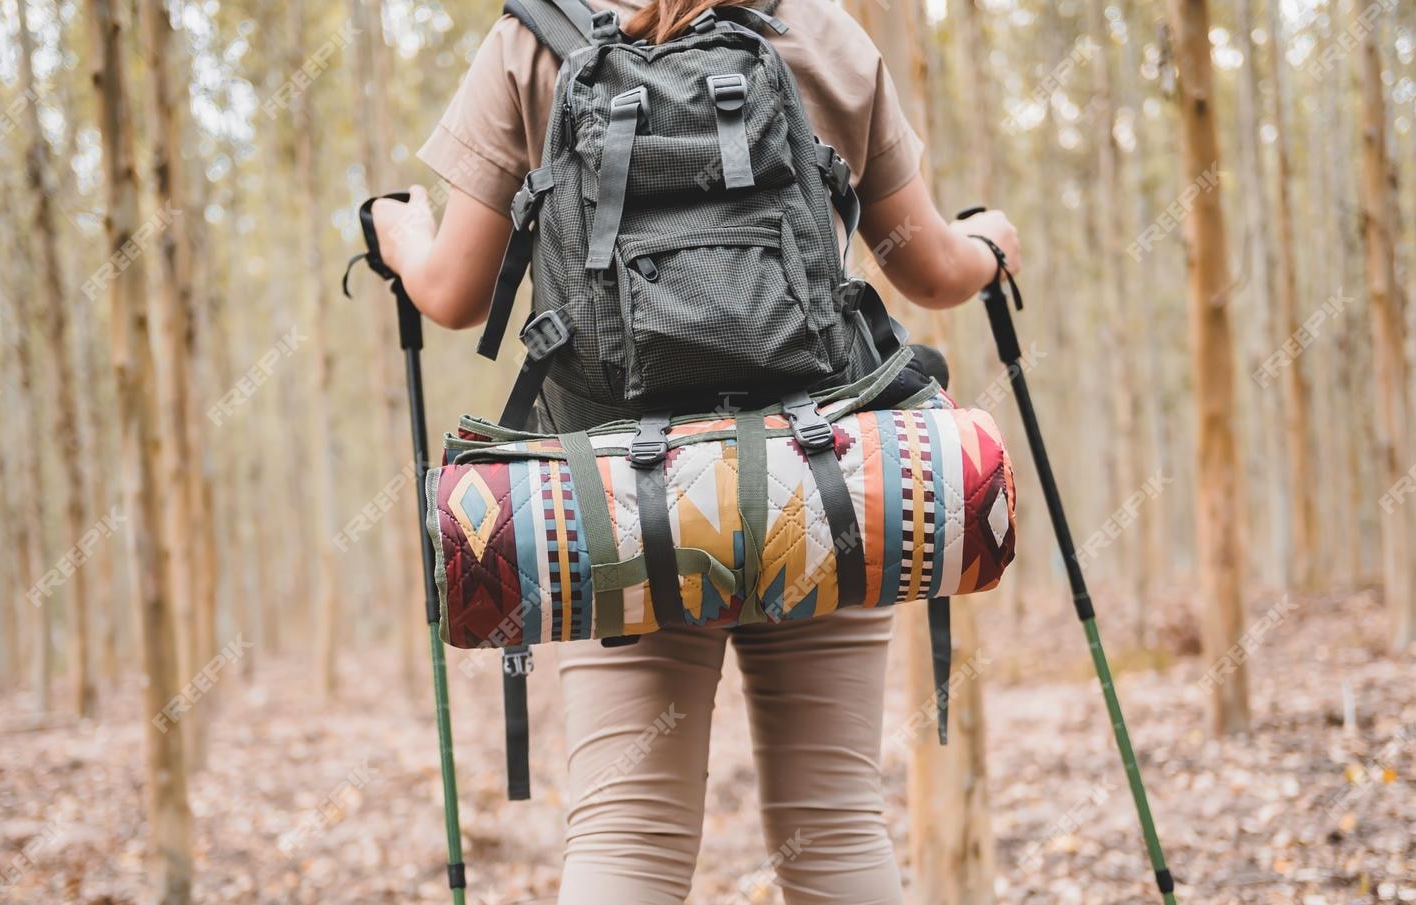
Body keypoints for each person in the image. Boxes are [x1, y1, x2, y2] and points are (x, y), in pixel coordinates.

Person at [370, 0, 1021, 901]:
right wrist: (991, 245)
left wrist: (395, 231)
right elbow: (931, 270)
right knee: (833, 818)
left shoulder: (533, 39)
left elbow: (453, 293)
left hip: (612, 502)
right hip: (823, 479)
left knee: (622, 833)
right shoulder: (820, 32)